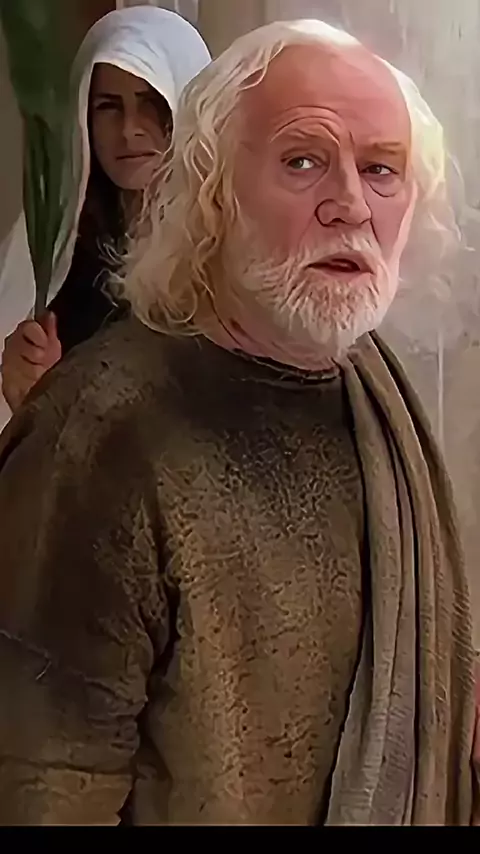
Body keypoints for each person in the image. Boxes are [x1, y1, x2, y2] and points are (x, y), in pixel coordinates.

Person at [0, 18, 478, 826]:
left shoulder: (375, 392)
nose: (350, 205)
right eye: (303, 161)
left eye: (381, 170)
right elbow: (41, 783)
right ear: (213, 191)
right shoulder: (100, 430)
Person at [0, 5, 210, 415]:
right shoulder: (55, 250)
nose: (130, 129)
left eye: (150, 103)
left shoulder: (227, 255)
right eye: (109, 106)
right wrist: (30, 388)